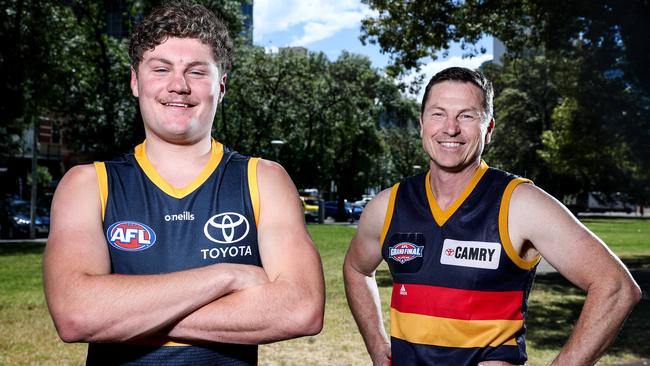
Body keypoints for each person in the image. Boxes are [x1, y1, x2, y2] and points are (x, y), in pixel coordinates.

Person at [43, 2, 325, 365]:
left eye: (196, 72)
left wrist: (124, 316)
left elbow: (301, 309)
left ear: (221, 87)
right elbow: (76, 314)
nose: (178, 86)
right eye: (161, 69)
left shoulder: (264, 179)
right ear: (135, 81)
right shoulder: (87, 184)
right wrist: (227, 276)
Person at [343, 67, 641, 365]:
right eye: (438, 114)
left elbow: (615, 287)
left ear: (488, 128)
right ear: (421, 124)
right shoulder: (388, 205)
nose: (450, 128)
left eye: (467, 115)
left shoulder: (519, 203)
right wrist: (376, 344)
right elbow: (356, 269)